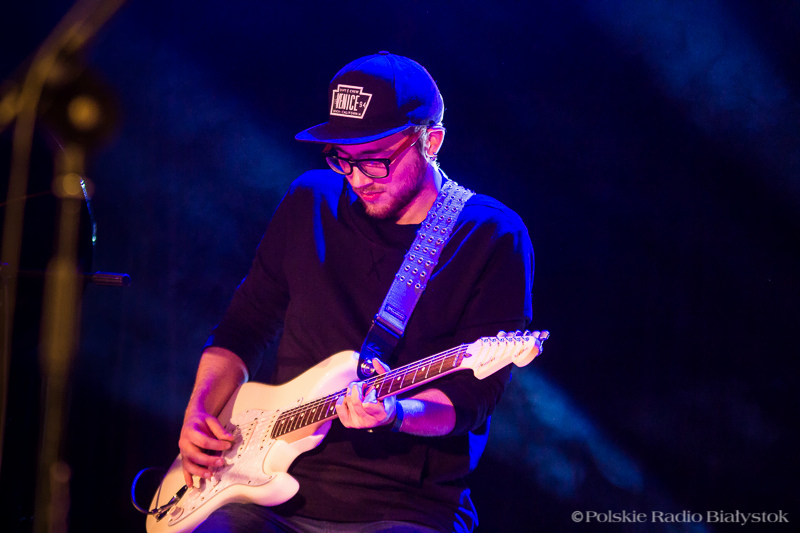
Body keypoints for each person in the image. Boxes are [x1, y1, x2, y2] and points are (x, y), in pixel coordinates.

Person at [178, 52, 540, 533]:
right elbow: (244, 326)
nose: (357, 178)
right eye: (342, 158)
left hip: (404, 507)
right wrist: (199, 412)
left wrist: (395, 412)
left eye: (376, 160)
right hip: (262, 491)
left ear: (431, 141)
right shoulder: (311, 200)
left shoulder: (491, 236)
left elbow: (472, 399)